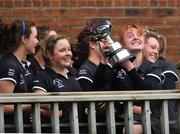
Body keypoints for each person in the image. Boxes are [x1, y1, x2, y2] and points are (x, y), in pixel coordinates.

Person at [32, 34, 81, 133]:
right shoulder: (42, 76)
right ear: (50, 55)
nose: (68, 53)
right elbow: (37, 103)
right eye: (62, 50)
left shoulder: (73, 72)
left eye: (69, 49)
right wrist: (47, 113)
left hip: (78, 129)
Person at [0, 19, 38, 132]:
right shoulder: (9, 65)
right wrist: (35, 102)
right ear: (24, 39)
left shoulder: (18, 63)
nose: (38, 42)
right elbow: (4, 106)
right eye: (35, 37)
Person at [143, 27, 179, 134]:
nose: (155, 52)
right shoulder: (134, 66)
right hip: (143, 118)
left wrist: (138, 107)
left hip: (165, 120)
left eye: (157, 49)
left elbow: (165, 93)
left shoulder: (166, 66)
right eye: (152, 48)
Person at [26, 25, 57, 91]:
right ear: (41, 42)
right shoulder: (28, 66)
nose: (57, 45)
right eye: (53, 41)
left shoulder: (54, 65)